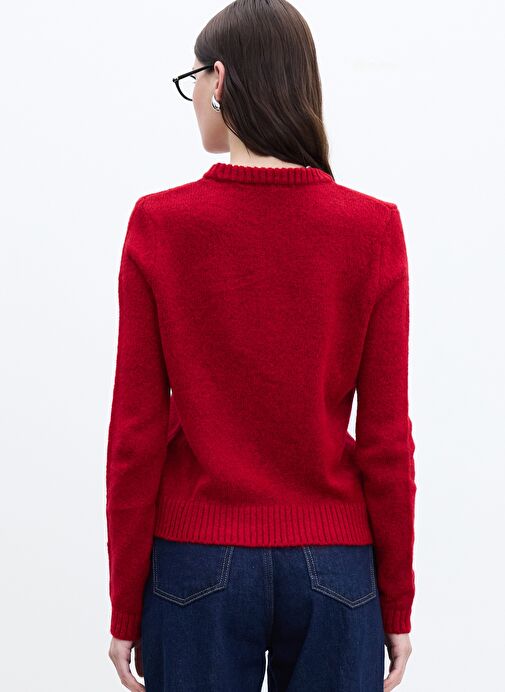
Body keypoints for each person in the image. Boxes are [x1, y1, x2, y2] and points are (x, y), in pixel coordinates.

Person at [106, 1, 416, 690]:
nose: (193, 99)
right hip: (336, 565)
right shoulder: (371, 230)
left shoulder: (160, 225)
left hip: (195, 562)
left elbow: (135, 435)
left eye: (193, 80)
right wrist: (395, 600)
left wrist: (126, 604)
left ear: (219, 79)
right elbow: (387, 439)